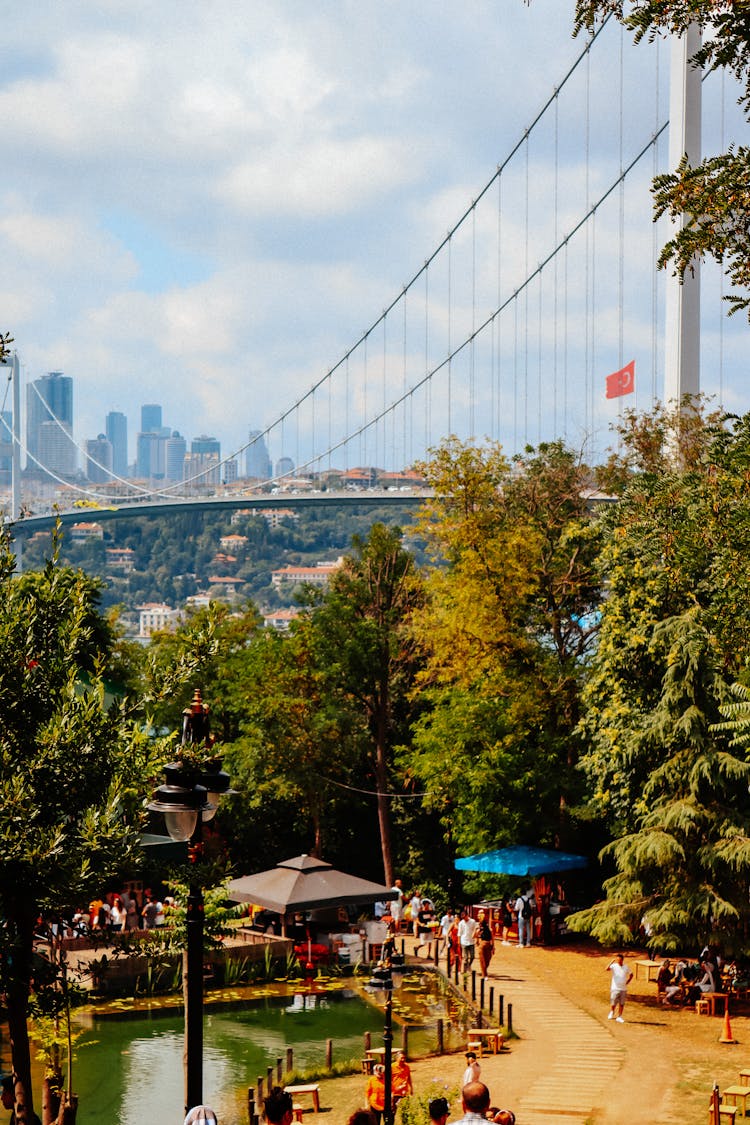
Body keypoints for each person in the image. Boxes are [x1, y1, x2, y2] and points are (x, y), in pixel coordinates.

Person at [607, 952, 633, 1022]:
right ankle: (612, 1012)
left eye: (620, 960)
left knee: (622, 1003)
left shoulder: (626, 967)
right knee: (613, 1001)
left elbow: (631, 974)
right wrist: (611, 962)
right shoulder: (614, 966)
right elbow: (607, 969)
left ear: (622, 960)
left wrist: (628, 981)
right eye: (617, 960)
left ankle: (619, 1016)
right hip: (615, 987)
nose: (619, 961)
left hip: (623, 988)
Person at [476, 910, 495, 977]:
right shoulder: (479, 930)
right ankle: (484, 974)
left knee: (487, 960)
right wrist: (477, 939)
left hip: (488, 944)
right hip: (482, 944)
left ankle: (484, 971)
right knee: (482, 959)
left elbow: (492, 938)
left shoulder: (490, 930)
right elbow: (475, 935)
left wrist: (493, 947)